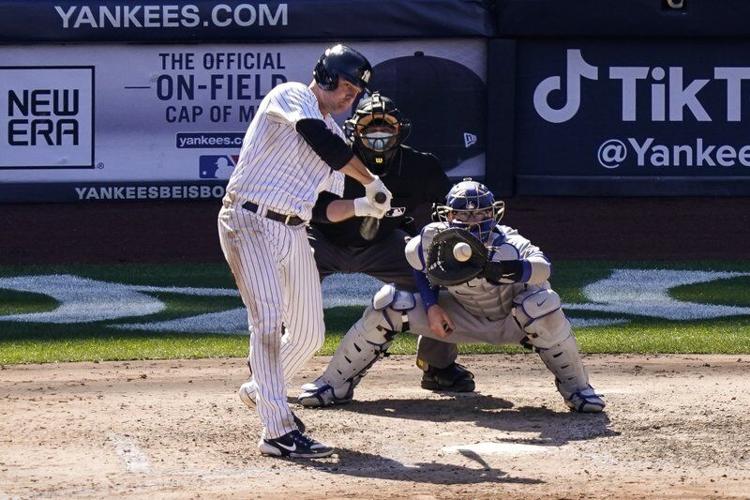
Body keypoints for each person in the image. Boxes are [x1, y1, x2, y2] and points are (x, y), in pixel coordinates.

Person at [218, 44, 393, 459]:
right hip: (248, 221)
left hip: (294, 231)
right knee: (266, 322)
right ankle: (277, 431)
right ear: (328, 75)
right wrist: (369, 180)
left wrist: (363, 206)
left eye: (356, 92)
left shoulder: (336, 134)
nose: (351, 97)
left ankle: (261, 390)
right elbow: (319, 142)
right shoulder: (292, 95)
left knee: (310, 333)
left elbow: (320, 209)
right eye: (348, 86)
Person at [298, 179, 605, 414]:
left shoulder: (509, 242)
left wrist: (506, 271)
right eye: (462, 213)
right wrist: (431, 306)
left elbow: (543, 269)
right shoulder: (434, 238)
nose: (472, 221)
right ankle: (333, 384)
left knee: (543, 304)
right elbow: (414, 258)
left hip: (513, 322)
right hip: (456, 321)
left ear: (493, 213)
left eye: (481, 212)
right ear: (448, 215)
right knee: (390, 301)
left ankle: (578, 389)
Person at [307, 91, 476, 393]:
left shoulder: (420, 166)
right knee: (287, 281)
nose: (378, 136)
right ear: (353, 132)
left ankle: (437, 365)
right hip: (323, 242)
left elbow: (452, 206)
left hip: (384, 245)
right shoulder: (331, 161)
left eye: (385, 128)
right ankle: (272, 366)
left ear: (401, 132)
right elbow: (309, 209)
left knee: (443, 275)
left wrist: (451, 235)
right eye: (370, 129)